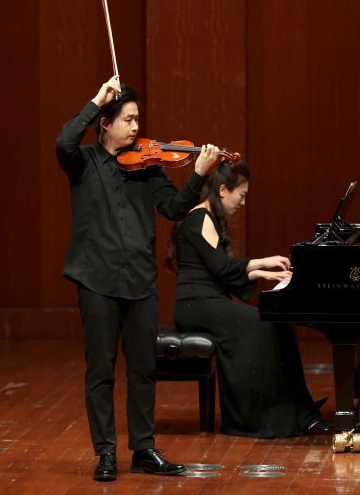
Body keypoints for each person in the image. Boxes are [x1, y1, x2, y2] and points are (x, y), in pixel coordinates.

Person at [55, 75, 219, 481]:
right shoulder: (84, 162)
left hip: (140, 282)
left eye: (137, 119)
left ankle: (143, 449)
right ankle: (105, 453)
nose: (135, 127)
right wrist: (96, 99)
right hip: (96, 281)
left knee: (143, 369)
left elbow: (174, 209)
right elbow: (63, 142)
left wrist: (198, 174)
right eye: (127, 119)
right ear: (105, 123)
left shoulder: (147, 167)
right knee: (101, 371)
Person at [169, 159, 333, 438]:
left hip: (207, 301)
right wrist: (264, 266)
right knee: (263, 324)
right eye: (241, 195)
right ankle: (265, 416)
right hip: (195, 305)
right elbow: (223, 269)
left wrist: (264, 270)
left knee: (278, 324)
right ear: (223, 190)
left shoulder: (209, 217)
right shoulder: (200, 217)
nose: (243, 202)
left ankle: (299, 409)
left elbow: (221, 271)